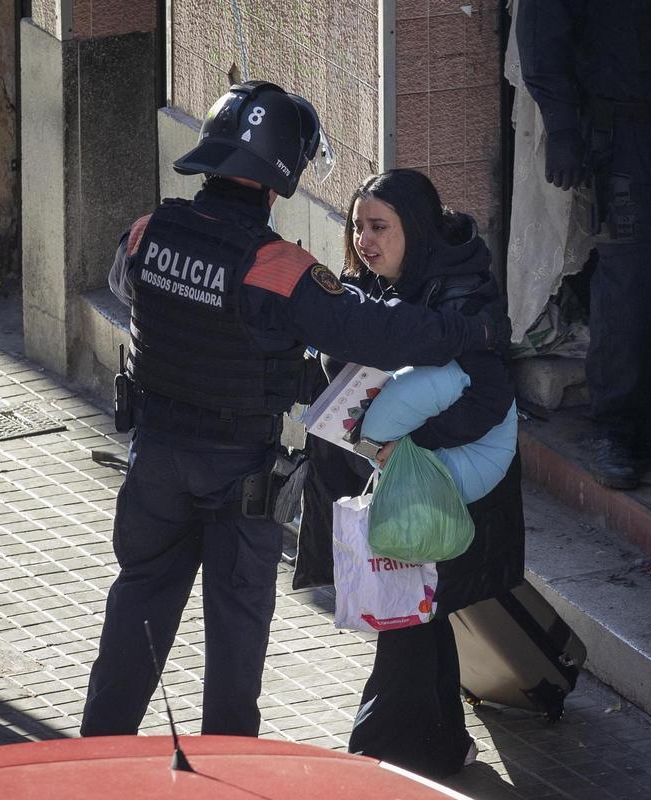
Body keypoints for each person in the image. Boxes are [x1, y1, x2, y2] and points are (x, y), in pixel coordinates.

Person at [79, 83, 510, 738]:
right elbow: (380, 336)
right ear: (275, 184)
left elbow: (128, 291)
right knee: (235, 632)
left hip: (155, 461)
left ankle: (93, 761)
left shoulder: (147, 231)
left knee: (137, 605)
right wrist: (471, 334)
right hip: (237, 477)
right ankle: (225, 775)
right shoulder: (278, 269)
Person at [299, 169, 525, 778]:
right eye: (357, 226)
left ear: (415, 230)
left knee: (407, 612)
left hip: (449, 483)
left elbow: (485, 399)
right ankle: (433, 747)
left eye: (380, 227)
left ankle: (385, 752)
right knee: (412, 613)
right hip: (406, 480)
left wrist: (402, 446)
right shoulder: (373, 284)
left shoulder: (461, 295)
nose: (364, 241)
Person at [516, 1, 651, 489]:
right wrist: (562, 129)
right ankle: (615, 428)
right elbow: (541, 38)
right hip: (622, 135)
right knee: (629, 283)